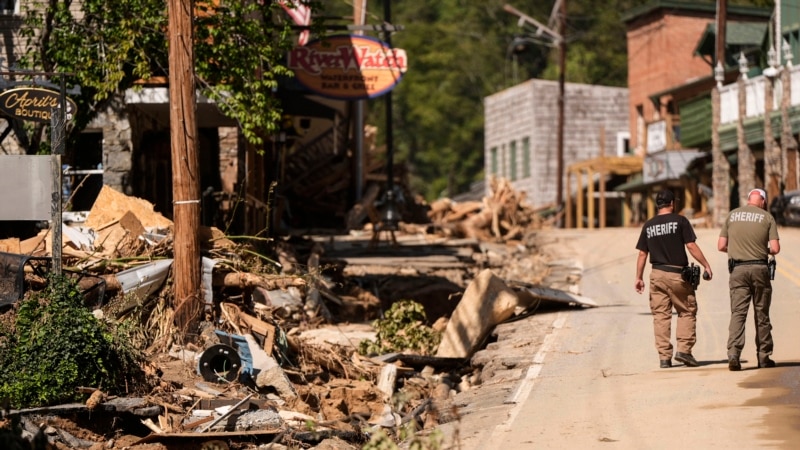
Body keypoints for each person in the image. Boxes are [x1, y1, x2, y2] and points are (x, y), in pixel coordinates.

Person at [635, 189, 713, 369]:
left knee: (661, 316)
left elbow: (642, 254)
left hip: (657, 274)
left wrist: (638, 277)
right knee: (686, 310)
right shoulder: (680, 221)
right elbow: (691, 246)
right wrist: (705, 265)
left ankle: (664, 358)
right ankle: (684, 351)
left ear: (658, 205)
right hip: (678, 274)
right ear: (672, 204)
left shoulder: (649, 225)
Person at [717, 188, 780, 371]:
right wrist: (762, 249)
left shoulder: (732, 215)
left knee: (738, 313)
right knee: (762, 314)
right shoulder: (767, 217)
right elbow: (775, 248)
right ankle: (763, 357)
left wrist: (737, 249)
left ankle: (734, 354)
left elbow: (721, 245)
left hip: (737, 269)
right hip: (760, 269)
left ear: (748, 199)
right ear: (763, 201)